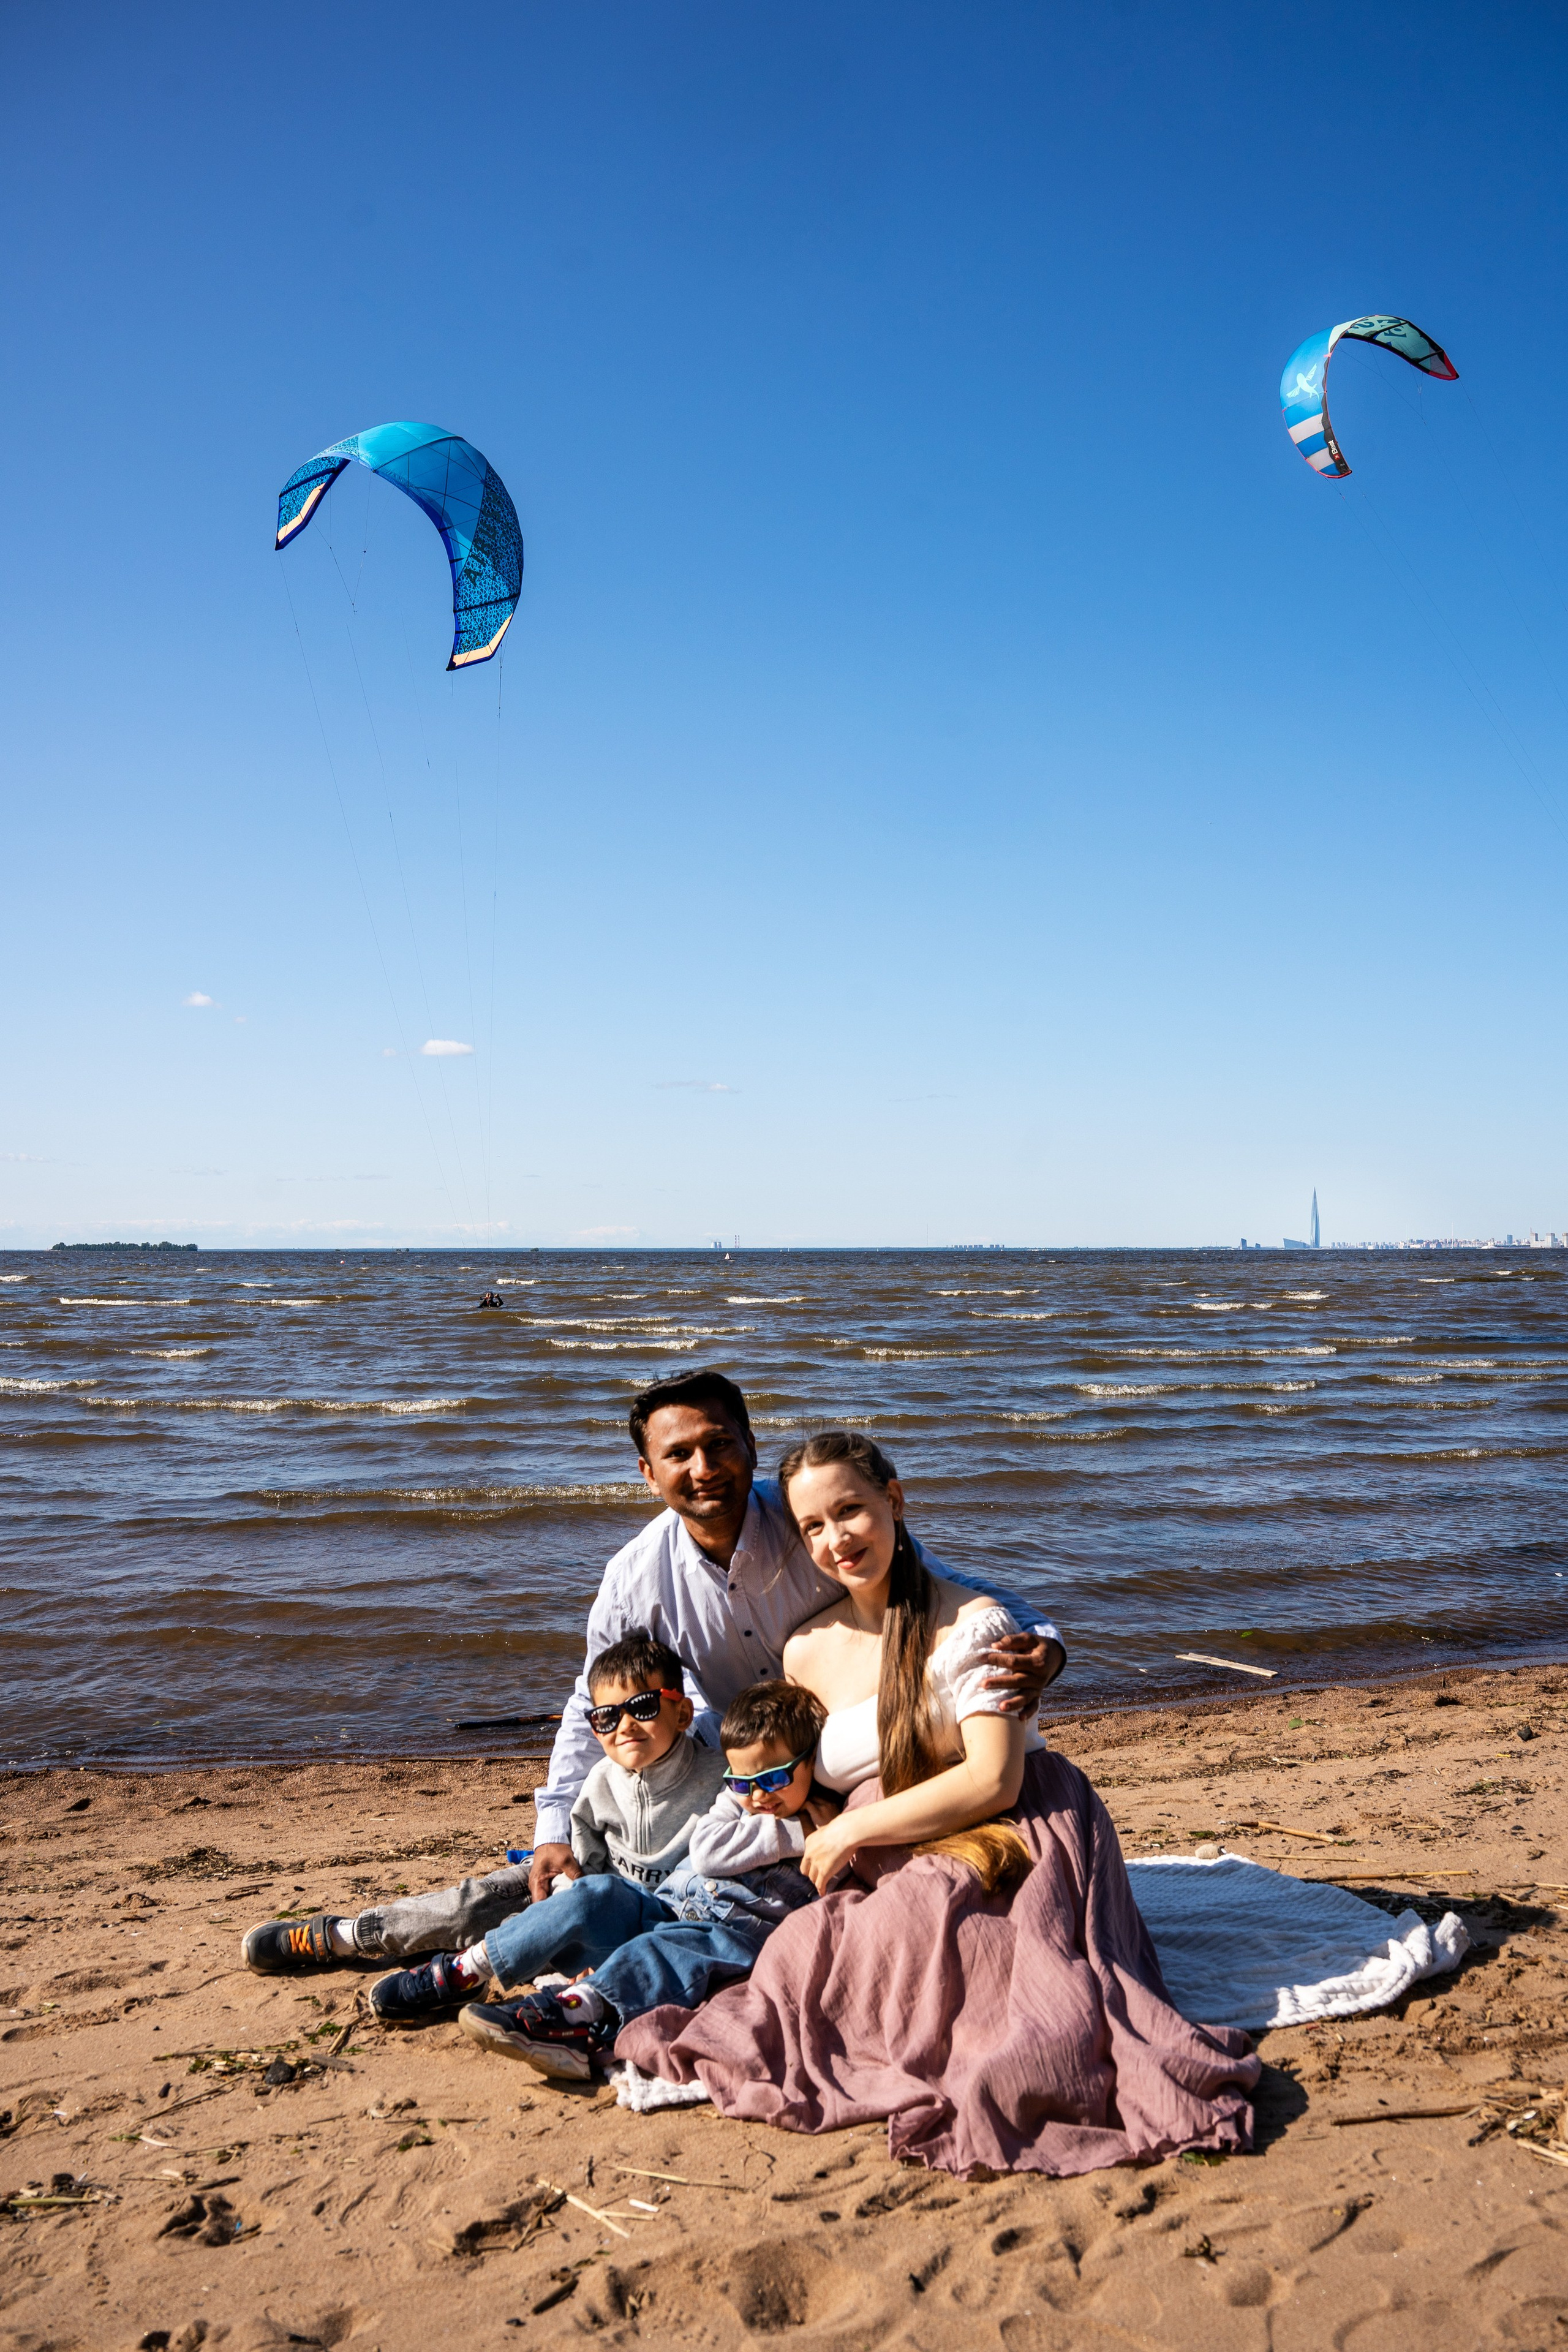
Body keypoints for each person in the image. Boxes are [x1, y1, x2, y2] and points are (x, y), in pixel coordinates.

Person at [239, 1369, 1060, 1978]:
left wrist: (1045, 1647)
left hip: (835, 1783)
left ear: (750, 1446)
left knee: (650, 1893)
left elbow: (950, 1596)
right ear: (647, 1472)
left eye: (720, 1444)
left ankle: (494, 1965)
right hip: (727, 1775)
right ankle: (360, 1934)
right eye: (679, 1454)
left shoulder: (815, 1525)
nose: (704, 1467)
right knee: (557, 1874)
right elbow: (585, 1702)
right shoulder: (637, 1576)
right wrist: (552, 1826)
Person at [615, 1431, 1261, 2179]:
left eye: (850, 1511)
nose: (835, 1540)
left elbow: (995, 1781)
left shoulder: (973, 1624)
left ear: (893, 1500)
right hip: (886, 1844)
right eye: (813, 1526)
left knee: (969, 1960)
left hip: (1006, 1829)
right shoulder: (804, 1650)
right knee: (801, 1954)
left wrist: (851, 1830)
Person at [457, 1675, 830, 2076]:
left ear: (812, 1762)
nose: (758, 1796)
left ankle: (570, 2016)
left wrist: (829, 1834)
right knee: (595, 1894)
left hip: (720, 1940)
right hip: (665, 1906)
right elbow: (707, 1853)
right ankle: (467, 1969)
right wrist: (798, 1832)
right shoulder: (738, 1803)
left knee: (662, 1950)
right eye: (743, 1781)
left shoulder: (835, 1834)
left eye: (774, 1779)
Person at [366, 1629, 728, 2022]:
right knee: (527, 1903)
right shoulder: (600, 1782)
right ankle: (409, 1952)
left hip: (676, 1930)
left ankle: (491, 1977)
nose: (624, 1725)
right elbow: (582, 1872)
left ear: (683, 1713)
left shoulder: (721, 1780)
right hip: (607, 1922)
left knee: (592, 1907)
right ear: (595, 1729)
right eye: (607, 1716)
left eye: (642, 1707)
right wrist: (578, 1931)